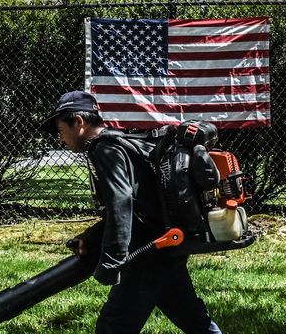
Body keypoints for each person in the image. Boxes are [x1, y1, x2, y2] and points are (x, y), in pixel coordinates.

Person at [38, 90, 223, 334]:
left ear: (79, 123)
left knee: (113, 327)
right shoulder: (122, 142)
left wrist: (112, 261)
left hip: (146, 255)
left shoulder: (104, 150)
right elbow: (138, 204)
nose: (61, 139)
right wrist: (92, 237)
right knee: (195, 322)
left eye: (61, 130)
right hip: (164, 248)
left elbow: (121, 204)